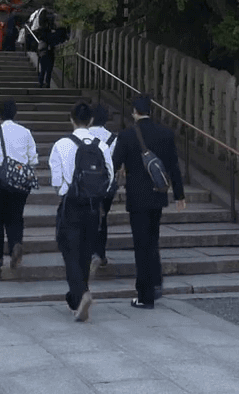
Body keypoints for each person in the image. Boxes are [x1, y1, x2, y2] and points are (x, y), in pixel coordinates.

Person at [112, 93, 184, 309]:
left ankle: (145, 295)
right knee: (152, 241)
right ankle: (155, 283)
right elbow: (174, 166)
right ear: (150, 111)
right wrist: (179, 194)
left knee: (141, 245)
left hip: (137, 197)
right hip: (157, 195)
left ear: (134, 112)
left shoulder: (126, 136)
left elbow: (115, 163)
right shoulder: (165, 134)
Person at [49, 100, 115, 321]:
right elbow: (110, 177)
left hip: (71, 204)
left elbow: (57, 181)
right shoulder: (102, 145)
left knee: (70, 251)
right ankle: (78, 295)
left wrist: (67, 188)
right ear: (91, 121)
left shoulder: (61, 144)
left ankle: (81, 295)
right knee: (86, 252)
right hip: (94, 206)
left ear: (71, 118)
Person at [0, 100, 38, 269]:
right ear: (15, 113)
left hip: (0, 178)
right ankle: (15, 246)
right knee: (16, 216)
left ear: (0, 114)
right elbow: (33, 159)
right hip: (21, 178)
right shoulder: (26, 132)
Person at [87, 103, 115, 270]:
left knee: (87, 217)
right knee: (102, 218)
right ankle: (101, 253)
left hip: (86, 185)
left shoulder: (82, 136)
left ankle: (87, 251)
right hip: (105, 186)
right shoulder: (113, 138)